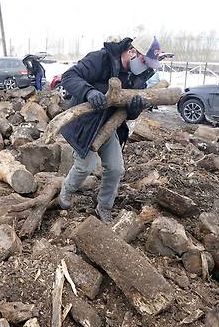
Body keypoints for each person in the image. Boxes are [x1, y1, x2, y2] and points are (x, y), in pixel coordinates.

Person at [57, 36, 164, 223]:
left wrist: (134, 109)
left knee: (116, 168)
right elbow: (69, 77)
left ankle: (104, 207)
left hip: (109, 126)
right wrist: (88, 92)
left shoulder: (139, 76)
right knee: (85, 166)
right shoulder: (101, 59)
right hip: (85, 123)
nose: (146, 67)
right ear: (132, 52)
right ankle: (67, 189)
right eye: (144, 61)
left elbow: (128, 114)